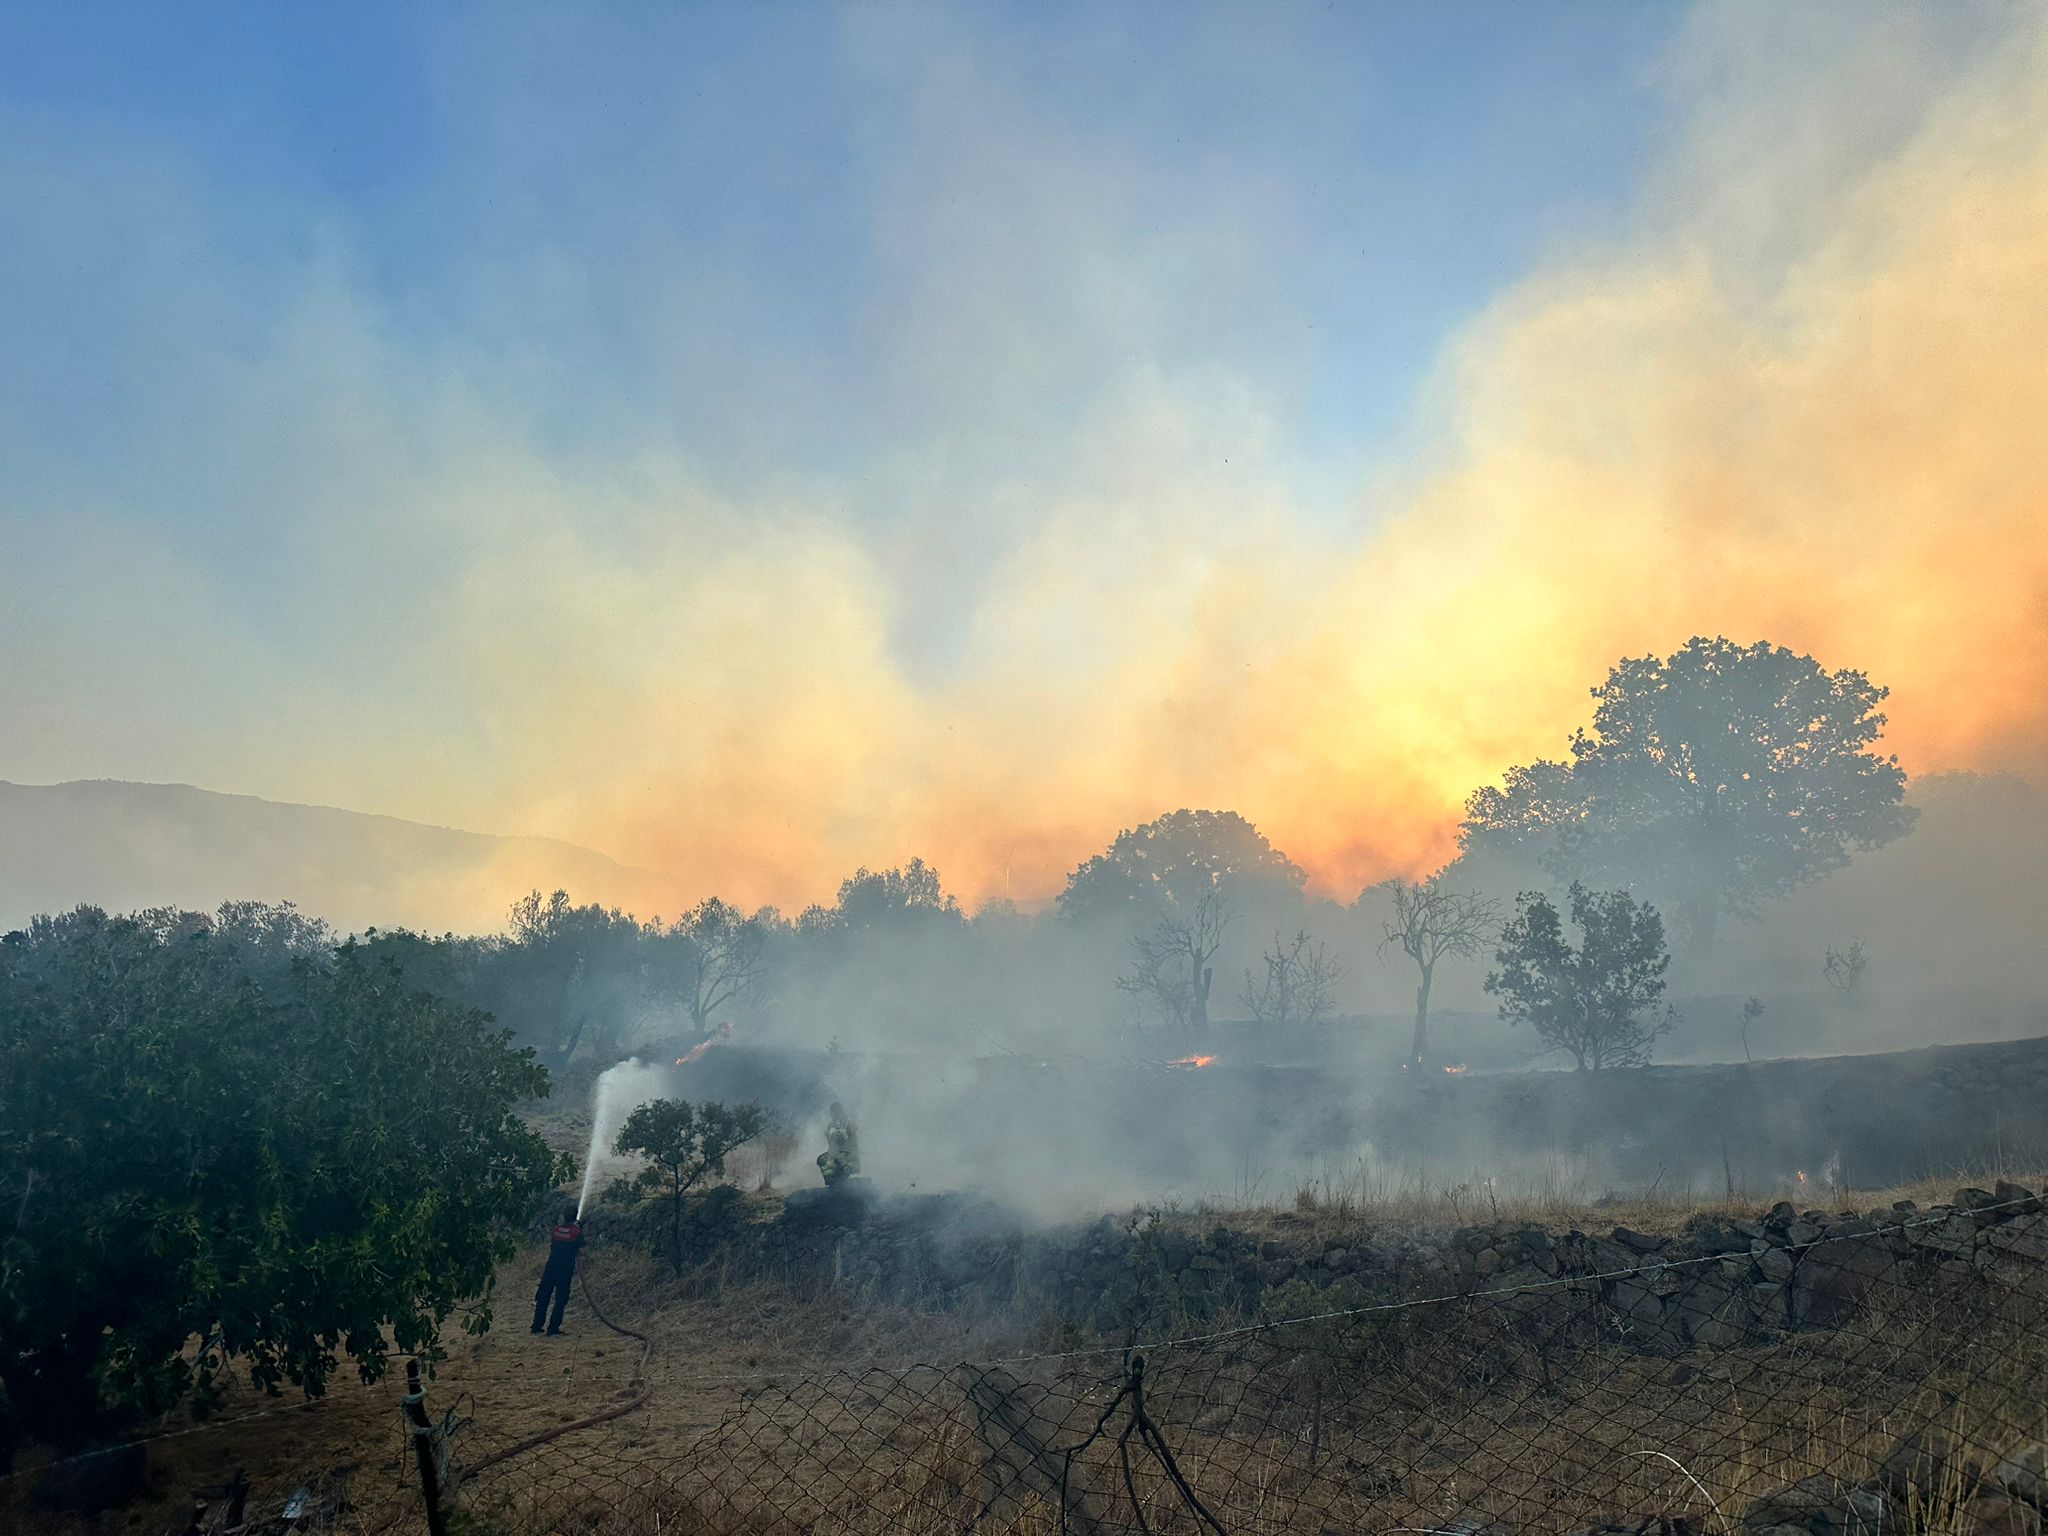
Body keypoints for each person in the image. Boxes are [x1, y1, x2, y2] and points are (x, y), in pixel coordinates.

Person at [530, 1216, 585, 1336]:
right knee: (561, 1299)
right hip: (564, 1270)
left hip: (550, 1267)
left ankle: (536, 1326)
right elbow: (582, 1246)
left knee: (543, 1296)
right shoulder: (576, 1232)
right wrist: (580, 1227)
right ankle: (553, 1329)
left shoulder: (556, 1229)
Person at [815, 1101, 861, 1188]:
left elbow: (846, 1135)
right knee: (822, 1159)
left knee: (828, 1160)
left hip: (848, 1156)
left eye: (833, 1113)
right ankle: (831, 1182)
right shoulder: (836, 1124)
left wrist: (835, 1131)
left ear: (838, 1111)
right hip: (839, 1155)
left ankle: (837, 1182)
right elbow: (833, 1144)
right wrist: (828, 1134)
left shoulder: (848, 1122)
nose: (832, 1116)